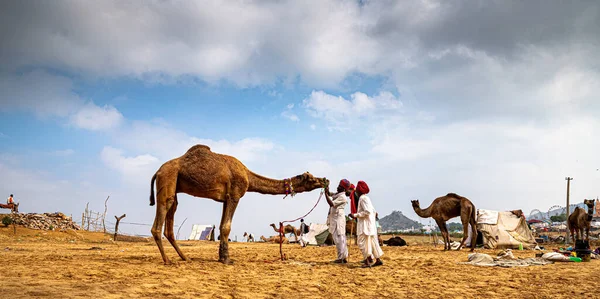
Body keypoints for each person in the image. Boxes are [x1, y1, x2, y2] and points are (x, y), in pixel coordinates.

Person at [348, 181, 383, 268]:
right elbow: (374, 212)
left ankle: (367, 261)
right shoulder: (367, 198)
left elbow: (367, 211)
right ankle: (377, 259)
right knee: (372, 242)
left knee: (362, 243)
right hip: (370, 224)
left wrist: (355, 215)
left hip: (365, 225)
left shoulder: (362, 199)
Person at [325, 179, 350, 263]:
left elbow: (331, 203)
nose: (337, 187)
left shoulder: (342, 197)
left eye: (339, 186)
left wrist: (325, 194)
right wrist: (327, 189)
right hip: (335, 219)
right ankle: (343, 257)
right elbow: (331, 194)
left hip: (338, 220)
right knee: (339, 239)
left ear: (343, 189)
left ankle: (341, 258)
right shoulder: (338, 195)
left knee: (340, 239)